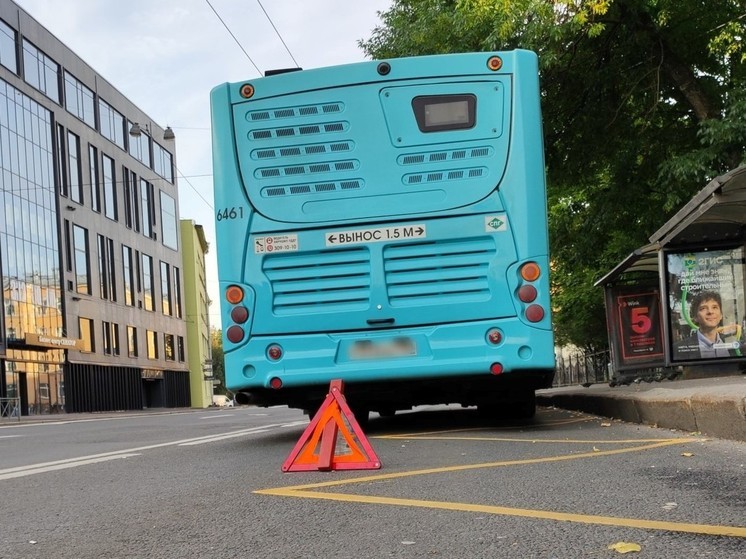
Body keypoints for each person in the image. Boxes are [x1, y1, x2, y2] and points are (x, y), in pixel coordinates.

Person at [673, 291, 742, 360]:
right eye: (703, 308)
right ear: (695, 317)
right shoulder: (678, 349)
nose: (710, 312)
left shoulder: (732, 344)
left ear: (721, 315)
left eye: (714, 307)